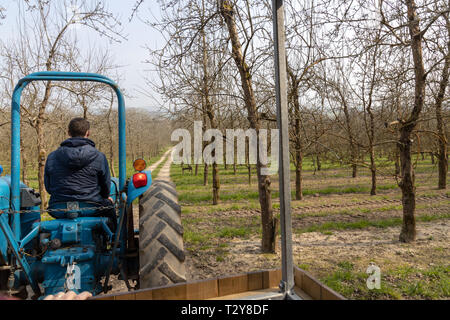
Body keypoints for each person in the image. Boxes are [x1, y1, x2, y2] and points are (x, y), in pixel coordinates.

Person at [44, 117, 116, 228]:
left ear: (68, 133)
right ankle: (114, 240)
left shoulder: (52, 156)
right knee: (110, 209)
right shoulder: (99, 156)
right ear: (88, 133)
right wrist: (106, 197)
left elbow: (48, 187)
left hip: (58, 207)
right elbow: (105, 185)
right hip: (92, 206)